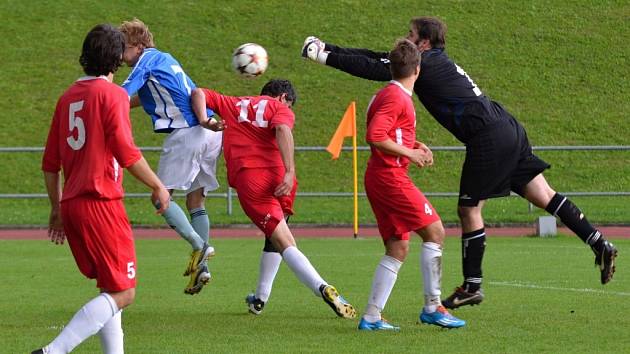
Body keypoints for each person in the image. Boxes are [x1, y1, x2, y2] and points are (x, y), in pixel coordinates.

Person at [301, 16, 618, 309]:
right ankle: (599, 243)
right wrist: (328, 47)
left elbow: (373, 67)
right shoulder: (433, 59)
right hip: (506, 126)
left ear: (424, 43)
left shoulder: (422, 62)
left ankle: (472, 286)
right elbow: (377, 56)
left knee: (469, 209)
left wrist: (322, 56)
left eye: (411, 36)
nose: (406, 40)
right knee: (544, 195)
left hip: (487, 137)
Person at [34, 24, 170, 354]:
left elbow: (50, 165)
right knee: (125, 293)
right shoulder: (112, 95)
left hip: (73, 205)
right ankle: (54, 351)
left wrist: (56, 209)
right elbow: (126, 152)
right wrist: (157, 185)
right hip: (101, 203)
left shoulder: (67, 97)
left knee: (110, 287)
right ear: (117, 58)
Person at [190, 79, 356, 319]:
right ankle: (260, 299)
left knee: (283, 241)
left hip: (253, 180)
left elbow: (198, 92)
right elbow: (282, 128)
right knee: (276, 238)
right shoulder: (279, 108)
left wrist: (206, 121)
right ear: (283, 97)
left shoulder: (232, 103)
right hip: (281, 179)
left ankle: (322, 287)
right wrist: (289, 172)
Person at [356, 39, 464, 331]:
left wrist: (414, 144)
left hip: (380, 176)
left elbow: (388, 132)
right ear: (418, 69)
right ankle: (433, 307)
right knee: (436, 232)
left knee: (398, 246)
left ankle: (371, 316)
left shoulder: (388, 93)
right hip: (389, 177)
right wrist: (410, 153)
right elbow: (376, 136)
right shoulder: (397, 98)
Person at [119, 18, 223, 295]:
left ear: (139, 46)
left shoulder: (146, 61)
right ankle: (203, 268)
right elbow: (145, 96)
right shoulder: (165, 59)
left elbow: (121, 93)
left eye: (123, 47)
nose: (119, 53)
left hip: (187, 132)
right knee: (195, 200)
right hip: (211, 131)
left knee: (160, 196)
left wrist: (98, 105)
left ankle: (199, 246)